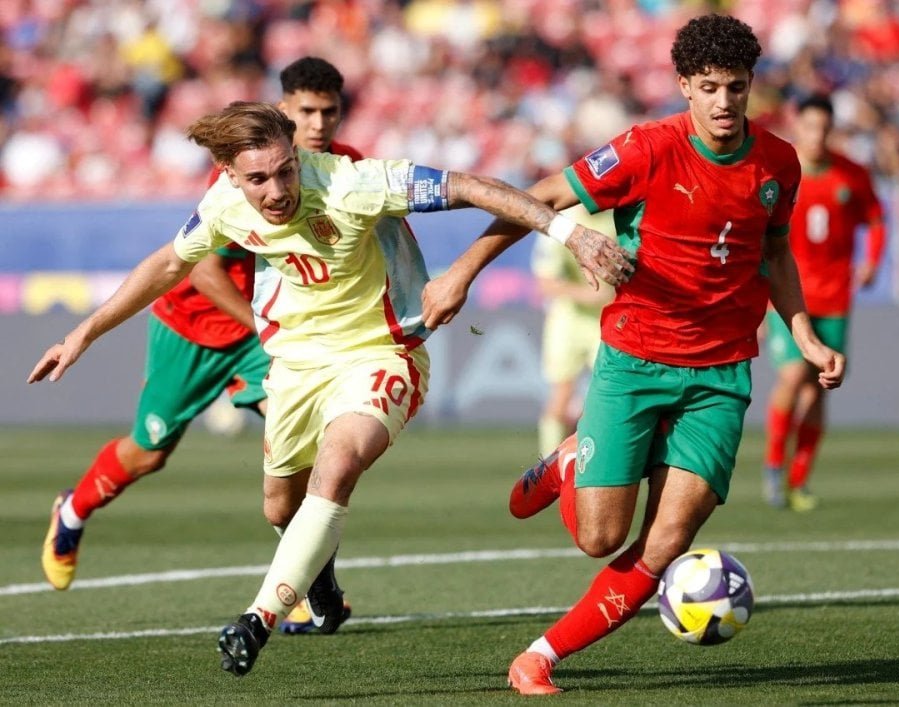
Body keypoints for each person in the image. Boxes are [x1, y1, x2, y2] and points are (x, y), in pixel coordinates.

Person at [28, 100, 632, 677]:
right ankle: (316, 577)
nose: (277, 190)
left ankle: (256, 618)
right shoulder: (223, 206)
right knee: (278, 508)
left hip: (381, 353)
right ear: (230, 176)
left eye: (285, 170)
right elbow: (168, 265)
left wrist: (569, 234)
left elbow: (471, 186)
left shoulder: (351, 184)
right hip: (294, 363)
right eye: (259, 179)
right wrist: (85, 332)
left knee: (338, 465)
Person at [421, 14, 845, 695]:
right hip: (635, 361)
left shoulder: (778, 163)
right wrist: (462, 271)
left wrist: (803, 332)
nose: (723, 103)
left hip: (720, 376)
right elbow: (545, 197)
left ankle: (539, 657)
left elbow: (773, 251)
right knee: (598, 537)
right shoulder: (646, 149)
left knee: (666, 540)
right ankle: (569, 459)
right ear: (684, 86)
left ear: (751, 87)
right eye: (708, 87)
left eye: (735, 87)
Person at [39, 56, 362, 638]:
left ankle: (313, 588)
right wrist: (85, 331)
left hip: (264, 339)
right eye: (306, 111)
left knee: (299, 447)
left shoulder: (340, 169)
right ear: (283, 111)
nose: (318, 123)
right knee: (148, 451)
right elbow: (200, 273)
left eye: (328, 111)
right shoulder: (243, 178)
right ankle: (73, 510)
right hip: (194, 326)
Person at [761, 94, 885, 511]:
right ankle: (774, 467)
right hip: (787, 298)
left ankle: (799, 481)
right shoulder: (778, 170)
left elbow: (876, 218)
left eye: (823, 129)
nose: (816, 136)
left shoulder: (850, 174)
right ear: (797, 127)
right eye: (809, 127)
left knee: (818, 390)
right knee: (793, 376)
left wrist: (871, 262)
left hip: (834, 298)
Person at [532, 204, 615, 456]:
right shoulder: (562, 224)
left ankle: (593, 460)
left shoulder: (617, 219)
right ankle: (549, 467)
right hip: (568, 320)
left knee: (606, 399)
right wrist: (588, 295)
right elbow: (545, 283)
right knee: (561, 395)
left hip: (609, 319)